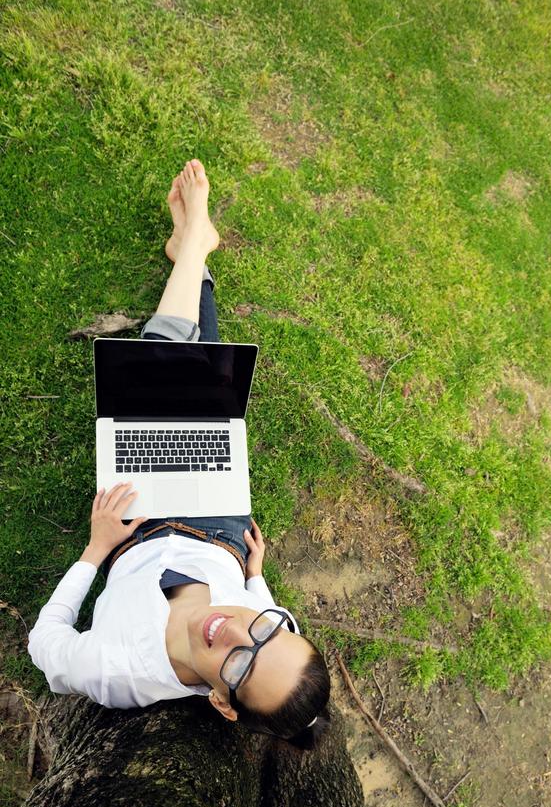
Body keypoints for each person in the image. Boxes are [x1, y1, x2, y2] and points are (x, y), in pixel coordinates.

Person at [27, 159, 331, 751]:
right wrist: (257, 578)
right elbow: (268, 613)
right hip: (219, 527)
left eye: (241, 669)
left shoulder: (118, 673)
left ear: (222, 703)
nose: (237, 631)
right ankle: (193, 252)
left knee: (159, 372)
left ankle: (195, 251)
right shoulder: (262, 619)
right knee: (203, 393)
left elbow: (45, 647)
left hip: (132, 530)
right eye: (270, 631)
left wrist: (95, 551)